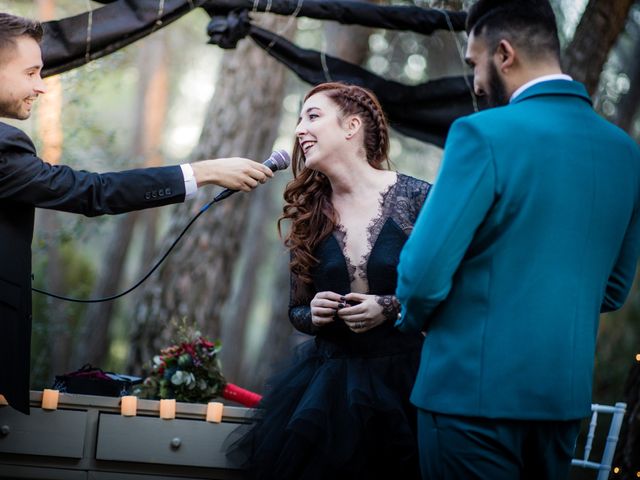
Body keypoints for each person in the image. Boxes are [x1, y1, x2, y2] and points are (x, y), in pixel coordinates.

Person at [395, 1, 640, 479]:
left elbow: (420, 277)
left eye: (473, 64)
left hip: (468, 401)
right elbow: (613, 289)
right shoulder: (625, 153)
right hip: (562, 406)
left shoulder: (481, 134)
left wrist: (414, 319)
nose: (475, 83)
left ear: (504, 54)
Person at [0, 13, 274, 415]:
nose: (41, 86)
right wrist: (204, 171)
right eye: (31, 72)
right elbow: (93, 192)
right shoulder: (5, 144)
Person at [227, 82, 431, 479]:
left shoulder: (418, 198)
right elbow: (296, 310)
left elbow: (449, 292)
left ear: (352, 126)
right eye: (299, 118)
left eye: (313, 116)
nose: (300, 129)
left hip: (407, 383)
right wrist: (314, 313)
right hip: (327, 391)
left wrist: (388, 307)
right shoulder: (309, 213)